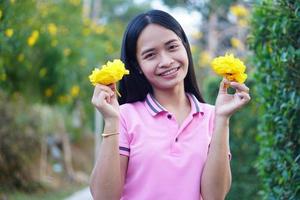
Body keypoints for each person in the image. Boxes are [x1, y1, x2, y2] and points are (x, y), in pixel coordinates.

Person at [90, 9, 250, 200]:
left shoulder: (212, 116)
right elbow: (103, 197)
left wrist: (222, 118)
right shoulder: (123, 116)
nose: (166, 61)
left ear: (185, 47)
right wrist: (110, 121)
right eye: (150, 55)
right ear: (137, 66)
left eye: (172, 47)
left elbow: (214, 196)